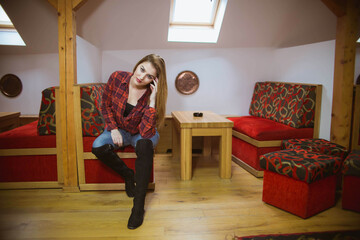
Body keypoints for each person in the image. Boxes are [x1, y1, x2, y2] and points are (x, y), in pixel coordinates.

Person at [91, 54, 168, 229]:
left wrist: (153, 101)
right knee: (97, 147)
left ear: (154, 80)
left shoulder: (151, 93)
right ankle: (128, 175)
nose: (142, 77)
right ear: (137, 64)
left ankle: (138, 206)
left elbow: (146, 131)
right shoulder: (117, 77)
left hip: (141, 132)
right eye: (142, 69)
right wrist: (113, 128)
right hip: (119, 129)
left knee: (144, 145)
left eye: (149, 76)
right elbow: (105, 105)